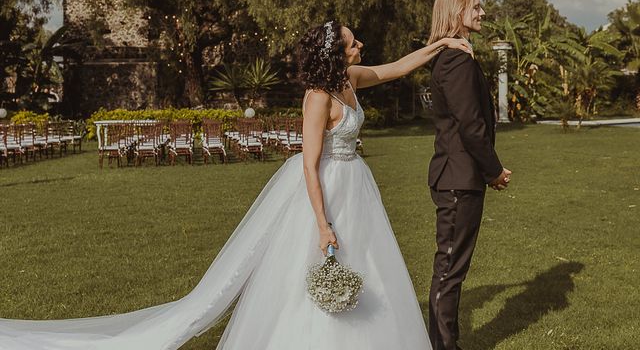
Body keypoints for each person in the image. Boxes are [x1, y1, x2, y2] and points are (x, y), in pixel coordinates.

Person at [0, 22, 470, 350]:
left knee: (366, 264)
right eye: (352, 42)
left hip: (357, 187)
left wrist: (444, 42)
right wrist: (323, 224)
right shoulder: (318, 97)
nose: (360, 45)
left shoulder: (349, 80)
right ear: (335, 52)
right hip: (324, 187)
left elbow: (396, 68)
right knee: (312, 267)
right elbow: (308, 165)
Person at [426, 0, 512, 350]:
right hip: (459, 179)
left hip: (459, 177)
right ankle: (444, 345)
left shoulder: (454, 55)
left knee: (452, 266)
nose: (481, 12)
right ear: (456, 12)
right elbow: (471, 125)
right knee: (449, 268)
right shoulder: (457, 60)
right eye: (475, 7)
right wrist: (494, 170)